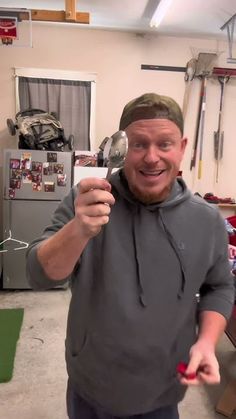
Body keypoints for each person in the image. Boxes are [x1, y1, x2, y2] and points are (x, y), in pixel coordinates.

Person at [26, 93, 235, 419]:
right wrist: (78, 230)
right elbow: (39, 275)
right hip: (91, 385)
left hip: (163, 390)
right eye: (139, 144)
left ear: (182, 147)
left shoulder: (206, 220)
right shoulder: (86, 203)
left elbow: (219, 287)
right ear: (123, 147)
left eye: (164, 144)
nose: (152, 157)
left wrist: (207, 342)